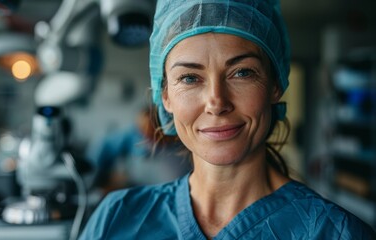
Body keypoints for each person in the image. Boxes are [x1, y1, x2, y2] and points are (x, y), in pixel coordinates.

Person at [79, 0, 376, 239]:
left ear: (275, 85)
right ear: (165, 96)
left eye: (242, 72)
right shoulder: (116, 219)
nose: (217, 102)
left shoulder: (335, 233)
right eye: (190, 78)